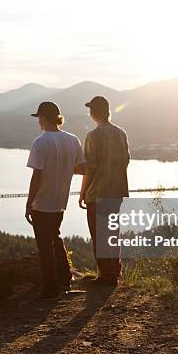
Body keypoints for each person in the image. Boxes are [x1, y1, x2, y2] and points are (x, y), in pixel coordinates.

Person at [26, 101, 85, 300]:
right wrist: (64, 168)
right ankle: (65, 278)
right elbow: (81, 168)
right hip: (61, 199)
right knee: (55, 236)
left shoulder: (40, 142)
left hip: (42, 201)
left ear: (43, 118)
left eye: (39, 118)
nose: (39, 122)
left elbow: (37, 176)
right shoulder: (73, 139)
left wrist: (29, 203)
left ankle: (50, 289)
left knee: (44, 245)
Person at [79, 96, 130, 287]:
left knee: (99, 234)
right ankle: (115, 271)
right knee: (112, 232)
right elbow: (126, 160)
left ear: (93, 113)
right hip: (116, 191)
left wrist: (82, 192)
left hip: (97, 192)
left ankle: (107, 276)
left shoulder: (93, 136)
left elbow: (90, 167)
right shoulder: (121, 133)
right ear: (108, 111)